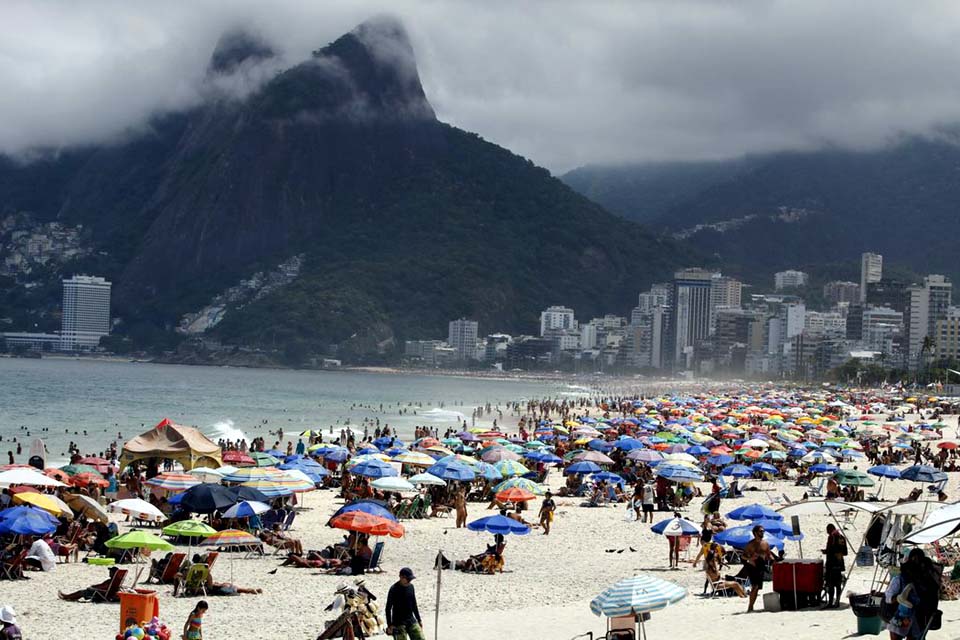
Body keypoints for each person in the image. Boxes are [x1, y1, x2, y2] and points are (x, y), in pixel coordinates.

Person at [385, 567, 423, 640]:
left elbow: (414, 604)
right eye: (408, 579)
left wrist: (419, 619)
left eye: (410, 579)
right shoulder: (393, 589)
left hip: (411, 620)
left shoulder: (411, 587)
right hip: (398, 622)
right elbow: (388, 608)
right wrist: (390, 625)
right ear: (401, 577)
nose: (409, 581)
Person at [743, 524, 774, 612]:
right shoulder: (751, 544)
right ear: (755, 533)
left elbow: (768, 554)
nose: (762, 532)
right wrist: (750, 558)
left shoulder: (765, 543)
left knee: (757, 588)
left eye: (763, 531)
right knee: (755, 586)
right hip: (752, 567)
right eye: (761, 531)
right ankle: (750, 607)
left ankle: (751, 606)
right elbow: (743, 556)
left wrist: (773, 560)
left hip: (761, 567)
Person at [823, 523, 848, 608]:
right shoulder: (842, 537)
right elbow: (845, 552)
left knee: (830, 584)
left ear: (830, 529)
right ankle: (837, 602)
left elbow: (830, 550)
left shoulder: (832, 537)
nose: (827, 532)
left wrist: (825, 551)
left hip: (831, 563)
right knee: (838, 584)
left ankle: (830, 603)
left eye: (827, 530)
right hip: (840, 564)